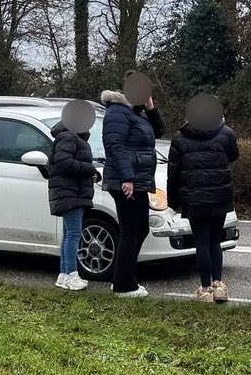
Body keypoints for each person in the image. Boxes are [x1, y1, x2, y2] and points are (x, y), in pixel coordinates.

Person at [165, 93, 238, 303]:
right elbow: (234, 155)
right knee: (215, 241)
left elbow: (173, 172)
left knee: (202, 243)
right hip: (219, 195)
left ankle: (205, 288)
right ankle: (219, 285)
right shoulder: (226, 133)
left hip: (194, 198)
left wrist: (173, 202)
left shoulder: (180, 137)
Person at [100, 71, 164, 298]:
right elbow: (114, 145)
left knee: (140, 228)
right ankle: (123, 285)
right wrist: (127, 177)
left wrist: (151, 107)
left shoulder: (137, 113)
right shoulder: (117, 112)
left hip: (139, 180)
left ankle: (122, 277)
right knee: (130, 231)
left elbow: (159, 131)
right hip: (127, 181)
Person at [48, 99, 100, 291]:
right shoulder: (69, 137)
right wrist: (89, 169)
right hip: (70, 193)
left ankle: (63, 274)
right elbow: (63, 162)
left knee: (68, 234)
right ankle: (71, 273)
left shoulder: (71, 136)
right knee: (74, 234)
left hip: (71, 192)